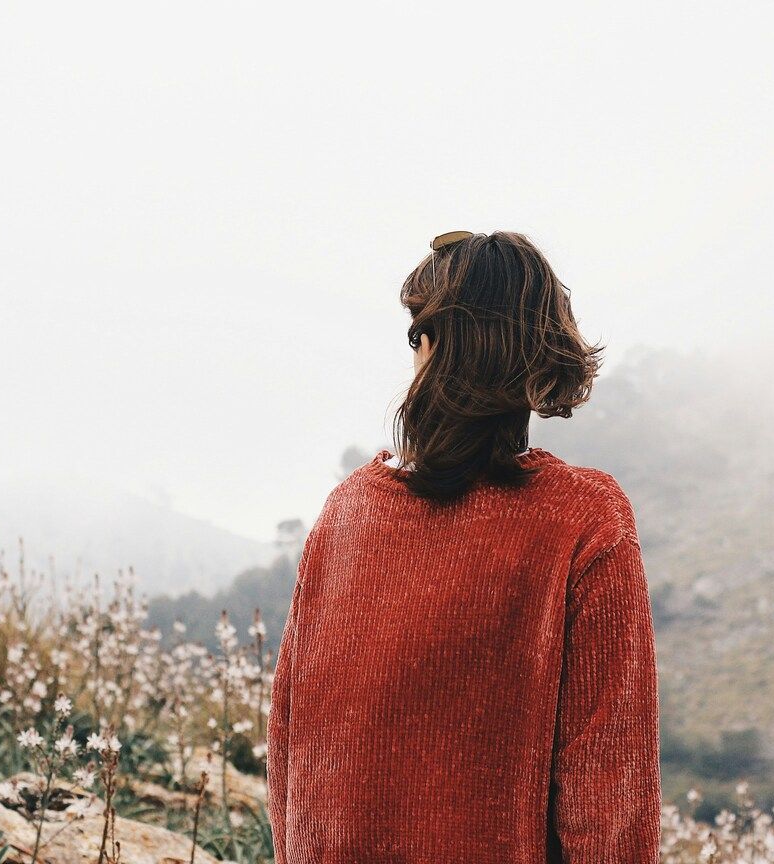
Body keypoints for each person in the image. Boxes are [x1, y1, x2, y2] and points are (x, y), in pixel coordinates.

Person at [265, 230, 661, 863]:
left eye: (415, 334)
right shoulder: (583, 518)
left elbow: (289, 751)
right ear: (536, 356)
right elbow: (609, 783)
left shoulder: (348, 512)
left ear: (432, 347)